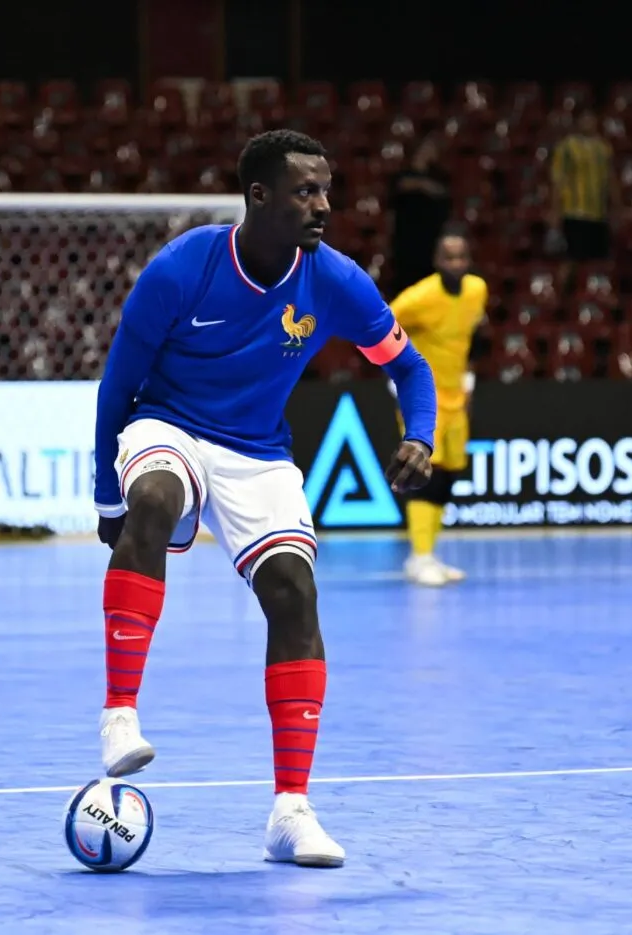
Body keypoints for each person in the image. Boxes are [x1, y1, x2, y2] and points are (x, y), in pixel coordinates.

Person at [91, 129, 438, 868]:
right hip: (169, 422)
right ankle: (119, 715)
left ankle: (291, 811)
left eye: (327, 190)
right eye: (306, 191)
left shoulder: (336, 280)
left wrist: (422, 434)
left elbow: (410, 368)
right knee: (152, 499)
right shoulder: (182, 268)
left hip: (258, 451)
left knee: (295, 593)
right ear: (259, 196)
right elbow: (118, 386)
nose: (324, 205)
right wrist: (105, 493)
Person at [388, 226, 487, 587]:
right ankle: (419, 557)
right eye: (449, 257)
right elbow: (380, 326)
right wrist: (396, 376)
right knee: (423, 475)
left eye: (461, 256)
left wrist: (469, 380)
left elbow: (472, 338)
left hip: (457, 397)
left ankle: (429, 554)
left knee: (447, 476)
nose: (456, 263)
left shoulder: (478, 290)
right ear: (436, 261)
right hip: (423, 400)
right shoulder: (417, 298)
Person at [548, 106, 620, 293]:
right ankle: (561, 300)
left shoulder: (603, 148)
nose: (589, 122)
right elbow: (558, 181)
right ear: (577, 122)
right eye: (585, 118)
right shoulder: (566, 147)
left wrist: (617, 207)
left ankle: (591, 297)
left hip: (598, 214)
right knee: (571, 259)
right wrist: (555, 213)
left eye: (592, 118)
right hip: (574, 212)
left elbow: (610, 179)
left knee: (597, 262)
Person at [388, 134, 452, 294]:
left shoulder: (439, 175)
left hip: (429, 238)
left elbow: (443, 194)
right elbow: (400, 187)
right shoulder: (403, 174)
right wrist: (423, 185)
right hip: (405, 238)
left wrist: (425, 185)